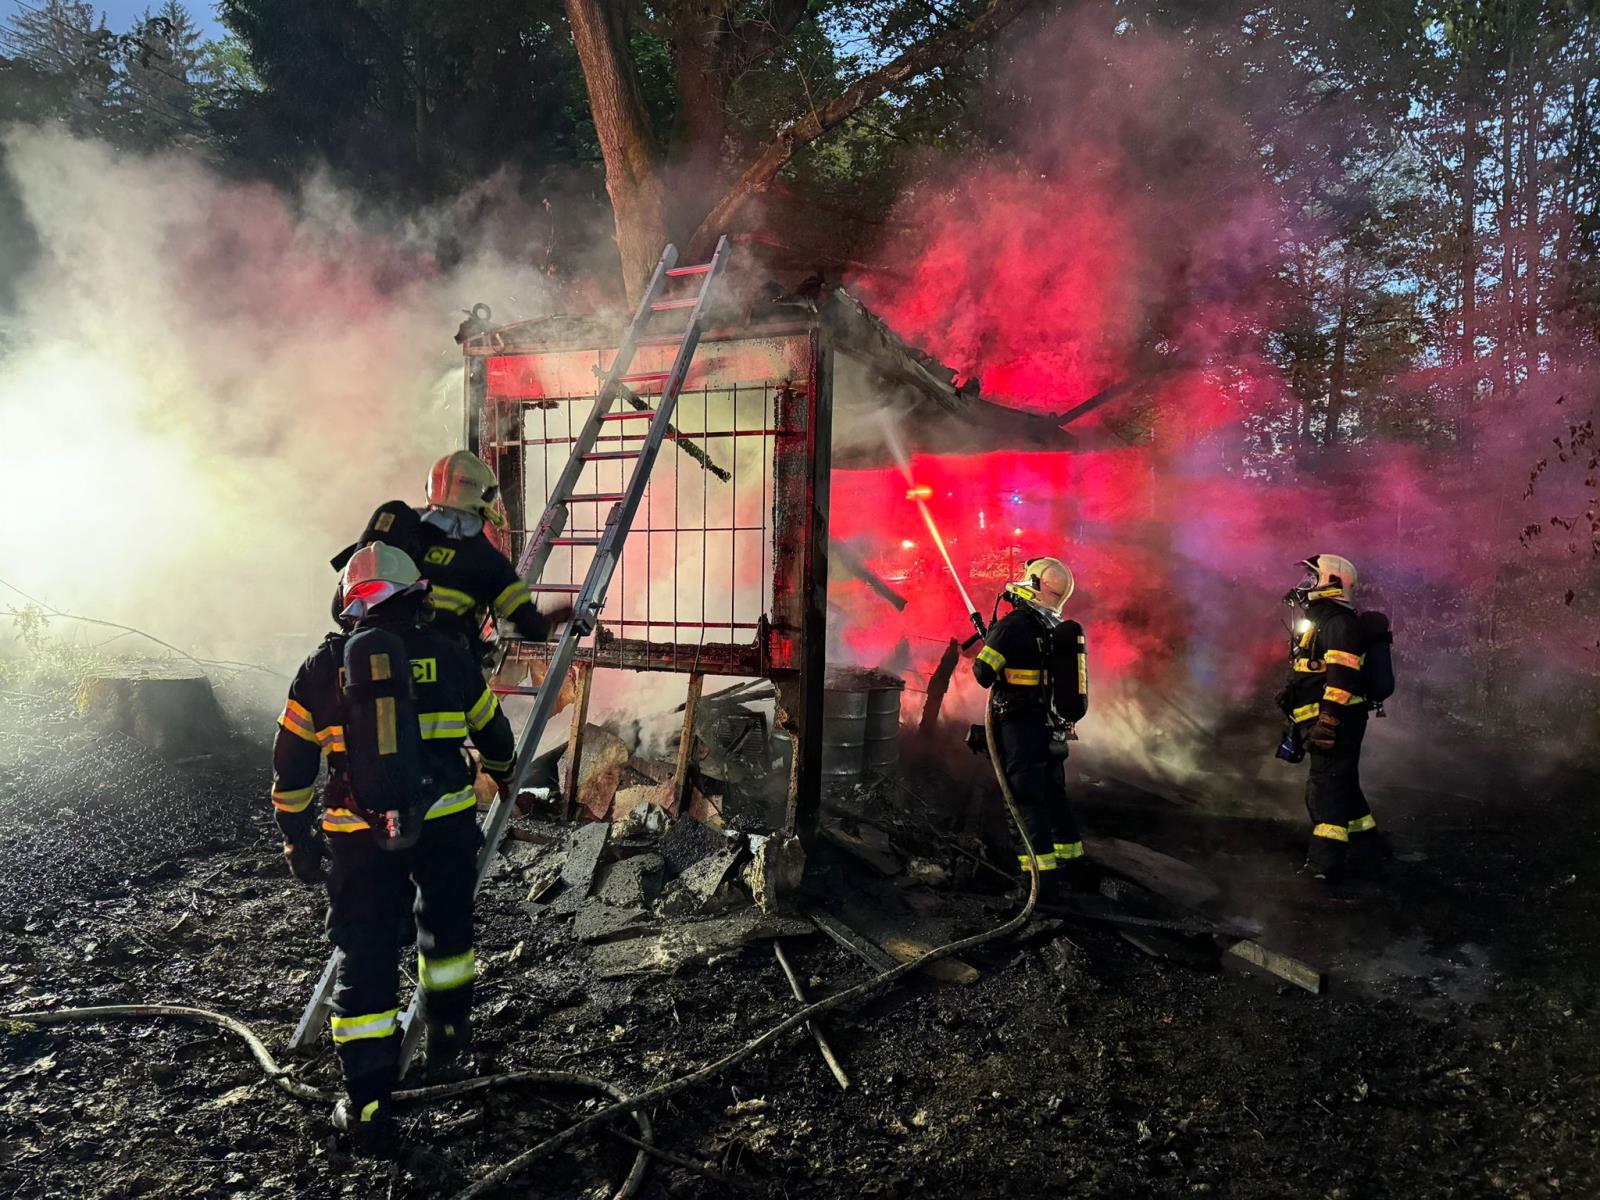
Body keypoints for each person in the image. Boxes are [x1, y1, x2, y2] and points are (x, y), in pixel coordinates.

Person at [271, 543, 516, 1152]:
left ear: (348, 603)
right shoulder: (449, 655)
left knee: (368, 956)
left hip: (358, 840)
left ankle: (369, 1104)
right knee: (448, 936)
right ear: (415, 595)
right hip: (446, 825)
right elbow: (494, 732)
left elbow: (292, 768)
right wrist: (506, 771)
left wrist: (296, 840)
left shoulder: (321, 670)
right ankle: (448, 1044)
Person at [971, 556, 1090, 897]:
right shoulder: (1056, 627)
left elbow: (983, 675)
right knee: (1054, 796)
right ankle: (1073, 863)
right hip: (1052, 728)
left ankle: (1038, 880)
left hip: (1021, 729)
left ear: (1034, 584)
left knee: (1025, 801)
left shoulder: (1015, 625)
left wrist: (992, 638)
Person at [1278, 553, 1379, 881]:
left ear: (1332, 583)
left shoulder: (1339, 623)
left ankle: (1324, 865)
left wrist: (1328, 721)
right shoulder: (1325, 619)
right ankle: (1369, 848)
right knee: (1343, 782)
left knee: (1325, 788)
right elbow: (1314, 671)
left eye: (1312, 578)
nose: (1305, 584)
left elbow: (1341, 678)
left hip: (1339, 721)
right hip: (1327, 720)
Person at [415, 450, 568, 653]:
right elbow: (531, 626)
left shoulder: (401, 531)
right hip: (448, 663)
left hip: (389, 661)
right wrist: (554, 619)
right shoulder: (486, 559)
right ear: (484, 498)